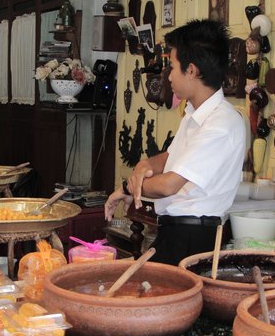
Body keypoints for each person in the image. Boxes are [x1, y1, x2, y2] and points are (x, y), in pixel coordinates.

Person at [105, 19, 246, 266]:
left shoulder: (222, 122)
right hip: (176, 233)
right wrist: (143, 165)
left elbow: (169, 185)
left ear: (191, 70)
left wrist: (128, 188)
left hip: (193, 237)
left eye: (172, 66)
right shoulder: (194, 113)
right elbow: (170, 159)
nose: (168, 75)